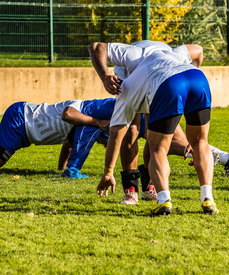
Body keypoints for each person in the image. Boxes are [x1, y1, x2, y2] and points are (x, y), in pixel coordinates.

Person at [89, 41, 219, 215]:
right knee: (200, 141)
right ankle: (207, 199)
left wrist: (108, 172)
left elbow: (116, 135)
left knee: (157, 148)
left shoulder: (125, 88)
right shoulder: (169, 53)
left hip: (167, 85)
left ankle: (164, 201)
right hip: (197, 78)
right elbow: (198, 48)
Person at [58, 100, 229, 205]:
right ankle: (221, 158)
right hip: (179, 87)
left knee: (136, 134)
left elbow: (69, 127)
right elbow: (68, 144)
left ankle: (138, 191)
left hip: (153, 93)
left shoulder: (87, 114)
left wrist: (107, 172)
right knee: (169, 140)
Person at [0, 98, 113, 171]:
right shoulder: (81, 106)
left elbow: (68, 146)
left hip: (22, 118)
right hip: (22, 120)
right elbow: (67, 114)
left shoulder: (81, 126)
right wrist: (97, 122)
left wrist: (61, 170)